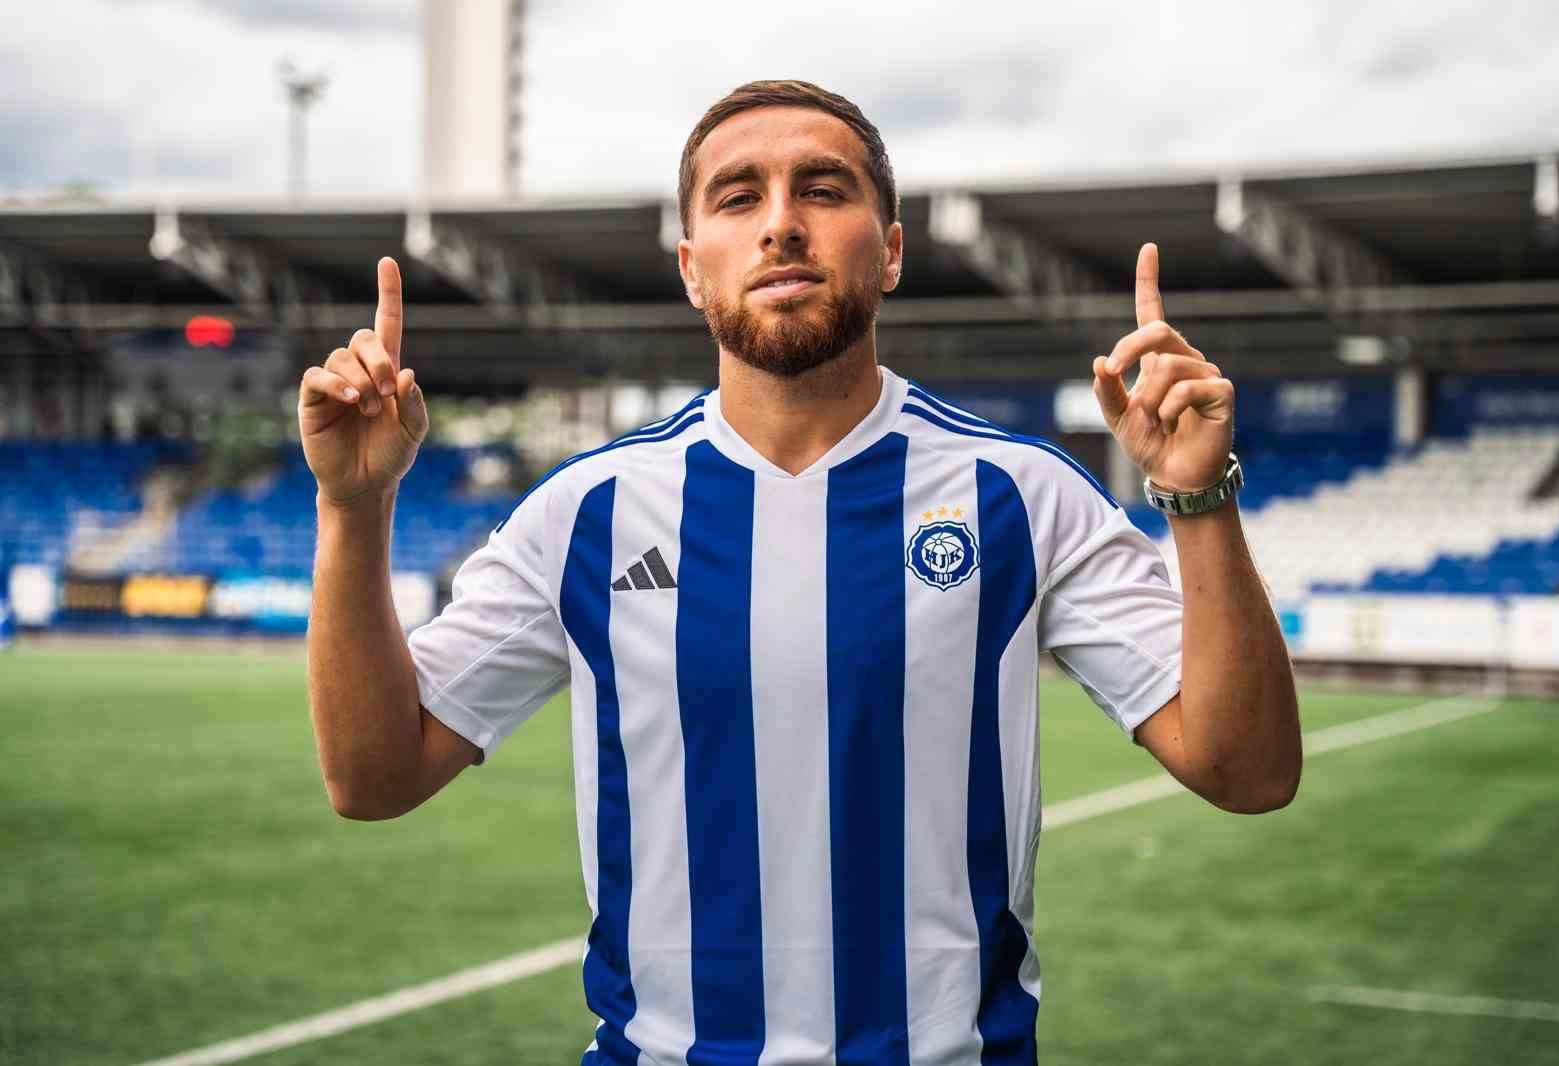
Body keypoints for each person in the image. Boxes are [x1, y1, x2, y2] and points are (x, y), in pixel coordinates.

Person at [301, 79, 1300, 1066]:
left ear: (891, 250)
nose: (781, 224)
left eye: (822, 190)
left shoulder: (1021, 495)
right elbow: (374, 776)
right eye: (739, 198)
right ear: (692, 269)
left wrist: (1199, 499)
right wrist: (352, 506)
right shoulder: (585, 512)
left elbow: (1248, 770)